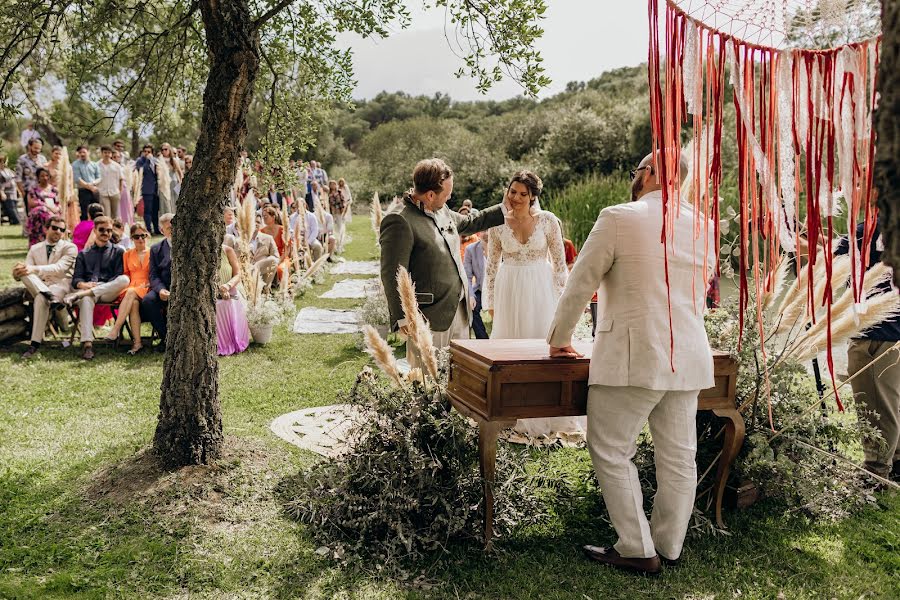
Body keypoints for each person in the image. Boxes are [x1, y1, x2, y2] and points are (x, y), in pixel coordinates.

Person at [547, 152, 714, 575]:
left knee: (609, 448)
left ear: (652, 174)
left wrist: (560, 339)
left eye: (636, 172)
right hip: (688, 354)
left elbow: (581, 280)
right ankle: (669, 545)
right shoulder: (704, 225)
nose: (633, 179)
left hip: (631, 354)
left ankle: (637, 547)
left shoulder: (618, 216)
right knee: (679, 457)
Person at [379, 158, 506, 368]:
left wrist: (505, 207)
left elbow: (471, 222)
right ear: (430, 195)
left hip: (461, 310)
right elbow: (391, 272)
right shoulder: (400, 221)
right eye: (446, 194)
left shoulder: (443, 211)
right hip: (429, 316)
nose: (449, 199)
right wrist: (403, 318)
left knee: (458, 375)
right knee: (429, 379)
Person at [483, 171, 578, 439]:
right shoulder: (498, 224)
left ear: (533, 196)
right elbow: (490, 268)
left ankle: (546, 411)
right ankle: (511, 412)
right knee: (509, 348)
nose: (516, 198)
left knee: (540, 346)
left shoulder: (548, 221)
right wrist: (490, 302)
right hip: (509, 289)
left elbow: (560, 267)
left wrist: (564, 304)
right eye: (513, 191)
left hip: (540, 289)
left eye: (523, 194)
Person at [837, 221, 900, 481]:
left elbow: (831, 259)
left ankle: (875, 472)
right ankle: (895, 462)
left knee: (874, 403)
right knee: (891, 403)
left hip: (877, 333)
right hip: (892, 330)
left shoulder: (872, 226)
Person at [65, 216, 130, 360]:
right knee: (87, 298)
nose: (106, 233)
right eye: (102, 230)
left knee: (124, 279)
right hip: (90, 291)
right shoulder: (83, 254)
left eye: (109, 230)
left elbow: (118, 275)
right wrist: (84, 285)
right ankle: (88, 344)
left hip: (108, 291)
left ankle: (80, 295)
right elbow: (76, 280)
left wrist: (100, 286)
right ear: (94, 230)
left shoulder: (118, 251)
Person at [14, 216, 77, 358]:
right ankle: (48, 295)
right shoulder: (35, 248)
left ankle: (34, 344)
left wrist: (33, 269)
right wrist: (18, 272)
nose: (58, 232)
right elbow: (26, 271)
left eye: (61, 229)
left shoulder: (70, 247)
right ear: (46, 228)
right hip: (41, 285)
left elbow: (59, 268)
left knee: (40, 298)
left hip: (61, 286)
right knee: (25, 273)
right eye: (54, 228)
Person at [104, 223, 151, 354]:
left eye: (143, 235)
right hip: (132, 286)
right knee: (133, 303)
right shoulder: (127, 254)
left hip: (147, 286)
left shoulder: (153, 252)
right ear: (132, 238)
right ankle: (137, 344)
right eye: (136, 236)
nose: (140, 239)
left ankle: (115, 330)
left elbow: (155, 273)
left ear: (147, 236)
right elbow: (125, 274)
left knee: (131, 293)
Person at [142, 213, 173, 347]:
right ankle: (166, 337)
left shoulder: (188, 245)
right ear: (162, 231)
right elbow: (153, 275)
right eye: (170, 228)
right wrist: (160, 290)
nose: (174, 230)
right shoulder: (156, 249)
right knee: (148, 301)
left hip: (185, 287)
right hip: (165, 287)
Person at [216, 242, 250, 356]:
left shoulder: (227, 250)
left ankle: (230, 341)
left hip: (231, 290)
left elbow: (238, 274)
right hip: (211, 294)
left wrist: (227, 286)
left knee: (227, 304)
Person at [25, 168, 60, 247]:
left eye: (47, 175)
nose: (45, 178)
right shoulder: (33, 190)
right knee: (41, 212)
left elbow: (58, 203)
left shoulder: (54, 190)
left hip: (53, 212)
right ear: (38, 178)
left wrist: (56, 209)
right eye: (42, 176)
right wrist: (45, 205)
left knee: (54, 218)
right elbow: (31, 202)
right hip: (39, 213)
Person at [463, 233, 488, 339]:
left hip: (500, 290)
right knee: (470, 307)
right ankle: (484, 340)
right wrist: (471, 296)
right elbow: (467, 277)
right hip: (481, 288)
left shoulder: (504, 245)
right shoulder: (470, 249)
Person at [260, 204, 291, 286]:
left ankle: (286, 287)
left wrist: (279, 260)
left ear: (273, 217)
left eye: (266, 216)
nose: (264, 218)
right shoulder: (261, 231)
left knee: (281, 269)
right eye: (263, 217)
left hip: (282, 257)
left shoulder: (282, 229)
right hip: (268, 258)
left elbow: (288, 249)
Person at [135, 144, 160, 235]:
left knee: (155, 211)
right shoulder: (140, 161)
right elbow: (142, 171)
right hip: (146, 190)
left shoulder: (156, 161)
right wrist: (147, 161)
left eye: (149, 152)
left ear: (152, 152)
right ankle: (149, 229)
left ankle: (157, 229)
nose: (146, 153)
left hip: (156, 190)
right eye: (145, 151)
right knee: (148, 211)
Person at [248, 221, 279, 291]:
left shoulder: (268, 238)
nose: (256, 224)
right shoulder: (241, 239)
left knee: (273, 260)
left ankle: (265, 289)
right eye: (253, 221)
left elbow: (276, 257)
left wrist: (262, 263)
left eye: (258, 222)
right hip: (247, 268)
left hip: (263, 269)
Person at [72, 145, 101, 221]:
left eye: (84, 152)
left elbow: (99, 177)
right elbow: (77, 179)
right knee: (84, 212)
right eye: (80, 152)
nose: (82, 154)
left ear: (88, 152)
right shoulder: (75, 164)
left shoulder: (94, 164)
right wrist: (90, 187)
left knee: (96, 211)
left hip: (94, 190)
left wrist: (93, 183)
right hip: (83, 191)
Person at [97, 145, 125, 219]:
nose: (107, 154)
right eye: (105, 152)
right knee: (106, 214)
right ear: (101, 153)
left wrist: (120, 191)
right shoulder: (97, 165)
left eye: (108, 153)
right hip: (103, 192)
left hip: (115, 192)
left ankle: (114, 230)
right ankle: (107, 229)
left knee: (115, 215)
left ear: (111, 154)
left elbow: (121, 179)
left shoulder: (116, 166)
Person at [327, 179, 348, 253]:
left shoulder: (339, 192)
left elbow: (343, 201)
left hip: (338, 212)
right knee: (332, 229)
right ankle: (334, 246)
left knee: (340, 228)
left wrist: (342, 210)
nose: (332, 185)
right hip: (331, 213)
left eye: (334, 184)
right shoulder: (328, 193)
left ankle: (340, 245)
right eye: (331, 184)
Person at [0, 154, 21, 225]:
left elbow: (15, 178)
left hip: (14, 193)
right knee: (12, 210)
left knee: (14, 209)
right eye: (2, 162)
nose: (4, 163)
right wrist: (1, 192)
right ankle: (17, 222)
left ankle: (13, 222)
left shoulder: (8, 170)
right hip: (6, 194)